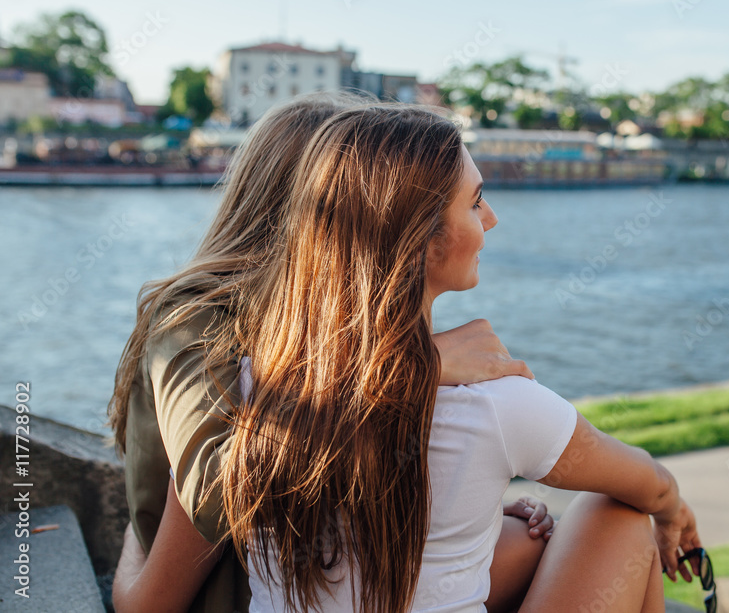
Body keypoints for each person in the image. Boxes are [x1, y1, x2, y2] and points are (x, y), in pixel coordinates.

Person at [217, 103, 701, 613]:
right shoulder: (496, 406)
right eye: (475, 203)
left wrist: (482, 517)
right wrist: (673, 514)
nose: (492, 218)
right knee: (620, 515)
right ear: (421, 243)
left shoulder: (253, 381)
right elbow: (649, 484)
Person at [108, 95, 546, 613]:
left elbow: (347, 455)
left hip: (333, 573)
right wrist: (417, 367)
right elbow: (215, 496)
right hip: (268, 592)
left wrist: (469, 512)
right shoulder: (202, 315)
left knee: (553, 536)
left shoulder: (332, 319)